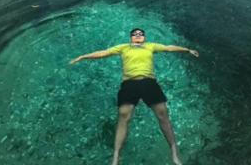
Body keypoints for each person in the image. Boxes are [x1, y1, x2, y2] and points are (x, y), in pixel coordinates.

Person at [69, 28, 199, 165]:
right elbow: (103, 52)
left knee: (163, 114)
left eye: (140, 34)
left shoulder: (151, 46)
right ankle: (116, 155)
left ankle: (173, 152)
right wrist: (82, 56)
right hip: (129, 84)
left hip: (149, 82)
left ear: (144, 37)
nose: (138, 36)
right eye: (134, 34)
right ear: (130, 37)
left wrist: (186, 49)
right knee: (123, 115)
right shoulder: (123, 47)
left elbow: (169, 48)